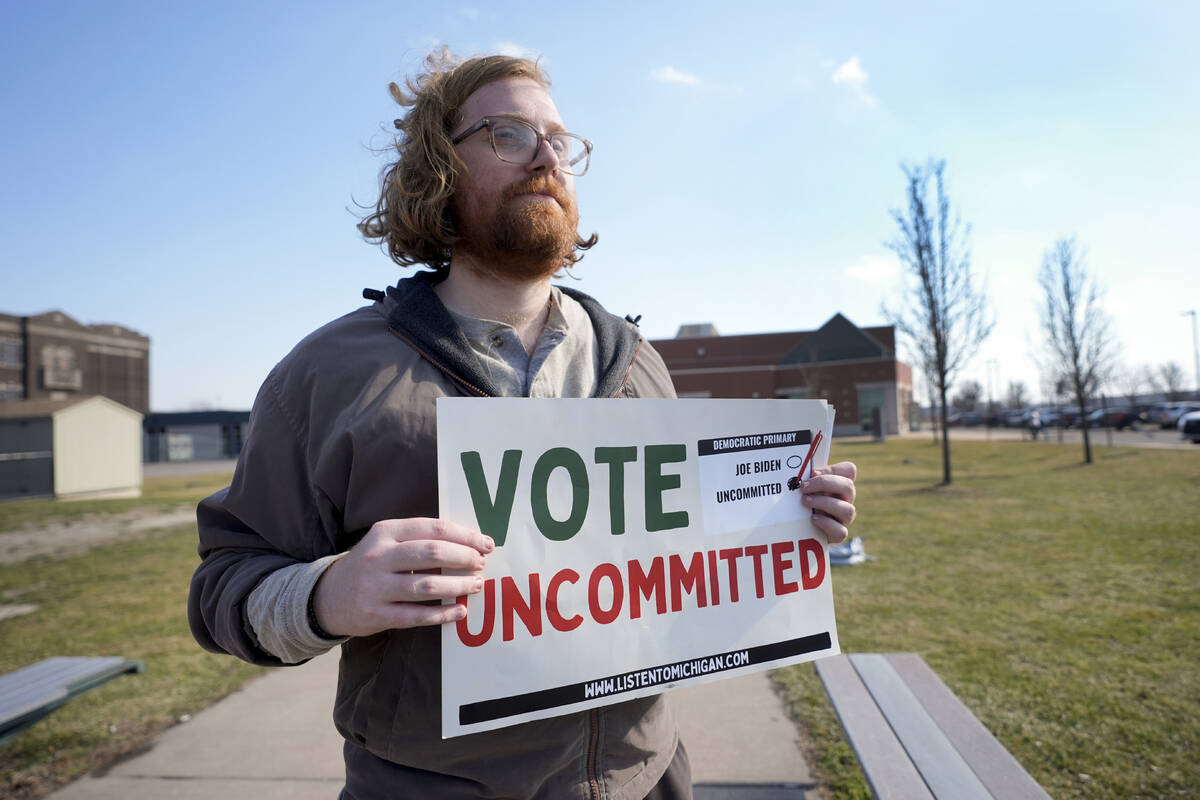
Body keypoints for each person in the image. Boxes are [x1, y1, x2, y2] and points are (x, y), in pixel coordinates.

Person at [187, 50, 859, 800]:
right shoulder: (328, 375)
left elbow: (682, 567)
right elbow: (226, 586)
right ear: (439, 168)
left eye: (560, 142)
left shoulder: (639, 364)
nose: (546, 157)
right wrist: (329, 594)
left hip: (647, 777)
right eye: (508, 134)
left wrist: (780, 520)